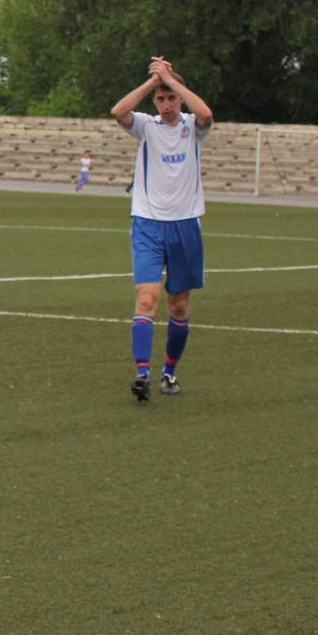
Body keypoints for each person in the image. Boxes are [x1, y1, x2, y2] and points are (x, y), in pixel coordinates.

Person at [110, 56, 213, 401]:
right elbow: (117, 111)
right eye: (161, 98)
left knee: (179, 306)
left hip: (185, 225)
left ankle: (169, 371)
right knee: (147, 297)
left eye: (171, 97)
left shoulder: (192, 126)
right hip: (148, 223)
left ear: (180, 98)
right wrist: (153, 81)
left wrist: (171, 78)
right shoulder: (145, 125)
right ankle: (142, 372)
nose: (166, 104)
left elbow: (207, 113)